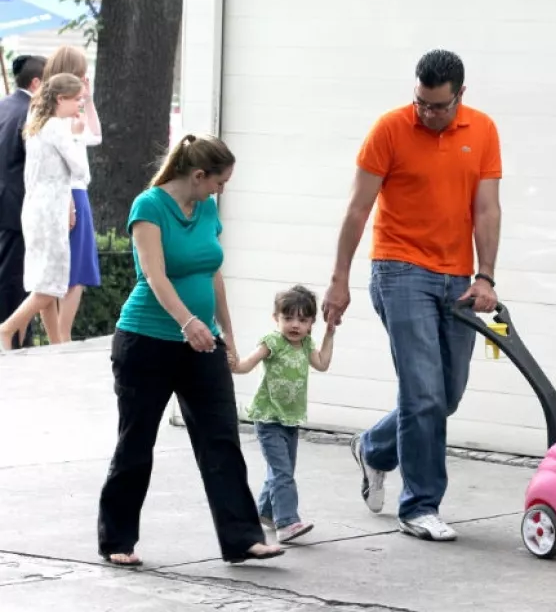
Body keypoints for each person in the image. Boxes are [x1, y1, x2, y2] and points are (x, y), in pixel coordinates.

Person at [322, 49, 503, 541]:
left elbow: (486, 210)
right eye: (421, 102)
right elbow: (357, 209)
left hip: (457, 277)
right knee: (422, 392)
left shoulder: (483, 131)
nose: (427, 113)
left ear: (460, 96)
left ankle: (376, 448)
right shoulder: (390, 129)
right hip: (399, 270)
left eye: (438, 106)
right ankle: (420, 506)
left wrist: (485, 276)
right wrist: (340, 278)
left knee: (445, 396)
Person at [96, 133, 283, 566]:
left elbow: (213, 272)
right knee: (136, 442)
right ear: (198, 176)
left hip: (203, 342)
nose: (222, 190)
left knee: (221, 439)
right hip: (146, 342)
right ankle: (117, 540)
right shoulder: (149, 207)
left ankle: (242, 539)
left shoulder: (207, 209)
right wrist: (187, 321)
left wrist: (227, 334)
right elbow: (155, 276)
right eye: (219, 182)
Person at [230, 285, 335, 543]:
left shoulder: (307, 343)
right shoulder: (272, 342)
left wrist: (329, 334)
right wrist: (233, 363)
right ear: (275, 318)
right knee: (282, 472)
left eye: (302, 319)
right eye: (288, 318)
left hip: (291, 419)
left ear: (311, 323)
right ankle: (287, 522)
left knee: (281, 470)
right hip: (268, 418)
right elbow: (246, 365)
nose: (295, 325)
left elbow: (321, 363)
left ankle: (266, 512)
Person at [0, 73, 88, 351]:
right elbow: (81, 170)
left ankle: (56, 344)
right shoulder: (57, 128)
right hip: (50, 211)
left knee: (43, 279)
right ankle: (7, 327)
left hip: (34, 208)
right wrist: (76, 136)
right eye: (76, 100)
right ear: (60, 99)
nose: (79, 106)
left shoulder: (35, 124)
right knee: (52, 283)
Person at [40, 45, 103, 342]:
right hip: (72, 193)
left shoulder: (49, 108)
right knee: (75, 270)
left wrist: (87, 101)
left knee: (55, 269)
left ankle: (56, 335)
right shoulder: (60, 113)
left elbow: (94, 136)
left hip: (59, 194)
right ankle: (61, 335)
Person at [0, 55, 46, 349]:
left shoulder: (5, 105)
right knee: (14, 276)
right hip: (18, 202)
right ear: (37, 83)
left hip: (6, 198)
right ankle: (13, 336)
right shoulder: (30, 111)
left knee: (9, 272)